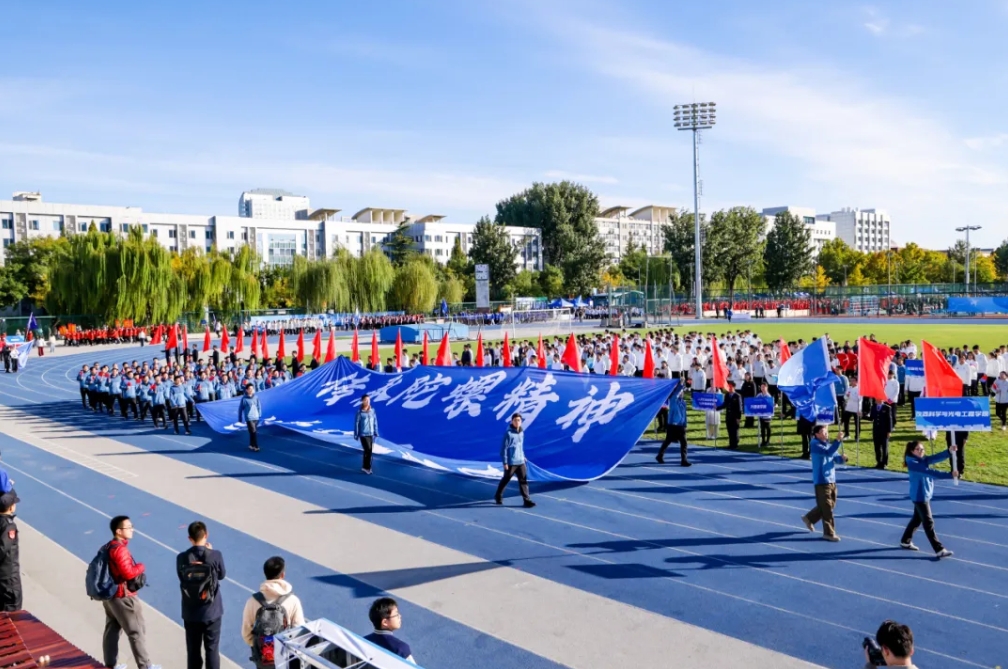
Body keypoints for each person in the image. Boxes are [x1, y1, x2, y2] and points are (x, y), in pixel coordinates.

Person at [103, 515, 159, 669]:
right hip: (124, 596)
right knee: (136, 631)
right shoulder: (120, 549)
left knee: (112, 629)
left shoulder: (108, 546)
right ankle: (145, 666)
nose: (132, 529)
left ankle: (111, 664)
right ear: (119, 531)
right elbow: (128, 573)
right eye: (128, 527)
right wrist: (140, 567)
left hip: (110, 595)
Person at [177, 521, 226, 669]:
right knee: (212, 649)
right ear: (206, 535)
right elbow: (222, 575)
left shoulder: (182, 558)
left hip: (191, 612)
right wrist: (209, 553)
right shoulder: (215, 555)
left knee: (193, 651)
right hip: (212, 611)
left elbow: (181, 578)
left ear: (190, 538)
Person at [241, 556, 305, 666]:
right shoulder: (293, 601)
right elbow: (299, 631)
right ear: (282, 575)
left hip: (262, 658)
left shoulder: (252, 601)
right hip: (285, 658)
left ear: (265, 574)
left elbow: (246, 632)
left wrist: (258, 646)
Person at [900, 441, 955, 558]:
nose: (921, 451)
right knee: (928, 522)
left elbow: (934, 458)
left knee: (916, 519)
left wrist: (949, 452)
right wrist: (950, 475)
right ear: (912, 451)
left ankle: (905, 540)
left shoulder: (921, 459)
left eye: (922, 449)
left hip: (923, 495)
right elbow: (930, 472)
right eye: (918, 449)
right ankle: (939, 549)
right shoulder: (914, 463)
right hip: (920, 497)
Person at [800, 424, 847, 542]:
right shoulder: (815, 445)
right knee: (827, 509)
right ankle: (829, 533)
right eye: (823, 432)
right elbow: (828, 453)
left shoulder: (827, 444)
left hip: (831, 479)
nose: (826, 433)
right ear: (817, 434)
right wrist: (837, 441)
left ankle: (809, 518)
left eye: (826, 431)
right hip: (821, 480)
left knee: (829, 505)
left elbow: (835, 457)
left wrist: (842, 459)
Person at [494, 413, 535, 508]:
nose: (517, 422)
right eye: (515, 420)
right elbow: (503, 449)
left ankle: (527, 500)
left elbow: (520, 446)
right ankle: (498, 495)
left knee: (523, 481)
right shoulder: (508, 434)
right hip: (511, 463)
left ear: (521, 421)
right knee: (506, 479)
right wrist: (505, 462)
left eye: (518, 420)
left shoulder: (521, 432)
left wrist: (523, 456)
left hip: (521, 461)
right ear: (512, 421)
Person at [364, 597, 416, 664]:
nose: (400, 616)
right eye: (396, 614)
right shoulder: (401, 649)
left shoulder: (363, 641)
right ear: (385, 622)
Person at [656, 385, 690, 466]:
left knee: (684, 443)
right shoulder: (673, 400)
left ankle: (684, 460)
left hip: (680, 426)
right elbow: (676, 393)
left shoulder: (683, 402)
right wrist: (681, 384)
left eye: (682, 392)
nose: (682, 393)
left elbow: (684, 414)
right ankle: (660, 455)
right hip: (673, 425)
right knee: (668, 441)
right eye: (681, 392)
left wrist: (685, 424)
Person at [0, 491, 21, 612]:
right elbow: (3, 548)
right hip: (8, 578)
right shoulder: (8, 526)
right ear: (11, 507)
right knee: (12, 611)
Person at [354, 394, 378, 474]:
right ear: (362, 401)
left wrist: (376, 431)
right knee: (367, 449)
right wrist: (356, 434)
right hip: (363, 434)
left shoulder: (372, 411)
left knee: (369, 451)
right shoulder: (359, 412)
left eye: (369, 400)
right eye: (366, 400)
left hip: (371, 433)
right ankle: (367, 468)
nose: (368, 402)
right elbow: (356, 423)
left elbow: (375, 421)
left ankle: (365, 467)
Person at [238, 384, 262, 452]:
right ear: (246, 390)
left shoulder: (256, 397)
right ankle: (256, 446)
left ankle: (251, 445)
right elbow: (240, 409)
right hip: (249, 417)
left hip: (256, 417)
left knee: (252, 432)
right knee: (254, 431)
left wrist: (259, 414)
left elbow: (259, 406)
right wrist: (240, 418)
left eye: (252, 389)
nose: (251, 390)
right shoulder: (244, 399)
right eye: (249, 389)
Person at [870, 398, 892, 469]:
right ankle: (878, 462)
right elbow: (871, 418)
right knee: (877, 447)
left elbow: (889, 420)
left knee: (884, 447)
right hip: (876, 430)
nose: (875, 400)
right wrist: (862, 415)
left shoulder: (887, 408)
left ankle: (884, 463)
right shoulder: (873, 407)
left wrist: (889, 431)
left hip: (884, 431)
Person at [723, 381, 743, 449]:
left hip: (735, 417)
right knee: (729, 430)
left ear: (734, 387)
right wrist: (717, 407)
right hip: (728, 416)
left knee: (735, 431)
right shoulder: (727, 395)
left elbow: (740, 408)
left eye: (731, 387)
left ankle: (735, 444)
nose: (729, 388)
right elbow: (725, 404)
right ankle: (731, 444)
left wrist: (738, 418)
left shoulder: (737, 396)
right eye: (728, 387)